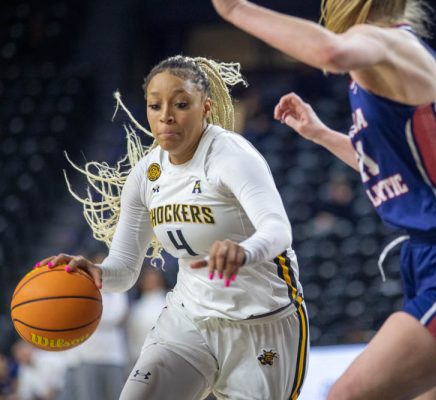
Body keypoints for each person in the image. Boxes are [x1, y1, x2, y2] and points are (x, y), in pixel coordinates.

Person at [210, 1, 436, 399]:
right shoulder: (387, 60)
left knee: (346, 395)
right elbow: (384, 165)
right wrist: (321, 134)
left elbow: (330, 52)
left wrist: (236, 10)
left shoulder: (389, 41)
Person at [36, 56, 308, 400]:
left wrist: (244, 250)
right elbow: (124, 270)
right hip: (189, 319)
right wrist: (97, 274)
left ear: (205, 107)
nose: (166, 115)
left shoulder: (232, 156)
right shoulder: (146, 175)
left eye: (181, 104)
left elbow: (279, 229)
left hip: (262, 322)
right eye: (155, 105)